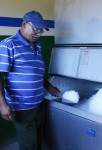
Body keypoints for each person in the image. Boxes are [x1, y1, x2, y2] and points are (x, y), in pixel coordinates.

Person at [0, 10, 61, 150]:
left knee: (39, 140)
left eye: (41, 31)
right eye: (35, 29)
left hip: (39, 104)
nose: (38, 33)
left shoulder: (38, 45)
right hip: (21, 107)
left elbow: (36, 72)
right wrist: (2, 103)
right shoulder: (8, 44)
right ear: (24, 24)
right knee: (29, 145)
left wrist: (49, 87)